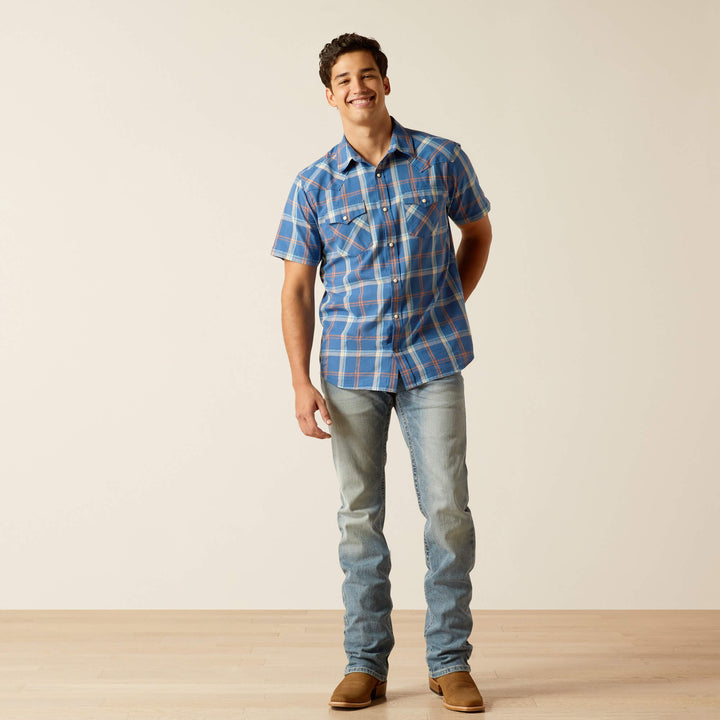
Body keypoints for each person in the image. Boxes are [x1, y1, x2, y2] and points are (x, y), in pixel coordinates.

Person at [271, 33, 492, 713]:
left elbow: (478, 232)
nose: (357, 87)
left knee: (447, 512)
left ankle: (450, 663)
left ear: (386, 83)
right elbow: (296, 289)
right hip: (350, 370)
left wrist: (448, 304)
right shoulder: (313, 184)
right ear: (330, 95)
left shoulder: (440, 159)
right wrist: (300, 382)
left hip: (433, 361)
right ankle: (365, 664)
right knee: (360, 518)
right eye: (344, 79)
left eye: (367, 74)